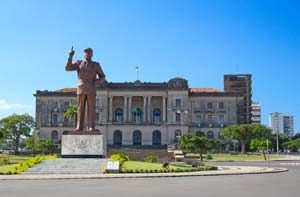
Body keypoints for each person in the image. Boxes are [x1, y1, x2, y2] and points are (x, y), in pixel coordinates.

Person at [65, 47, 105, 131]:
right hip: (81, 88)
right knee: (80, 108)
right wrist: (70, 56)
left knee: (91, 108)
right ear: (84, 54)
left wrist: (97, 82)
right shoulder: (79, 63)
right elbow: (67, 68)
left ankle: (91, 126)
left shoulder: (96, 65)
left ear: (92, 54)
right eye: (86, 52)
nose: (87, 54)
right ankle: (79, 127)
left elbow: (103, 76)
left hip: (91, 88)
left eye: (89, 52)